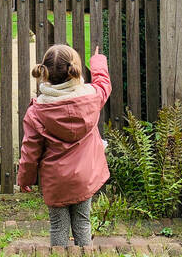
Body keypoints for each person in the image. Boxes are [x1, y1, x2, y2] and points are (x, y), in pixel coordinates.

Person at [17, 44, 111, 247]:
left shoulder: (37, 111)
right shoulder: (91, 98)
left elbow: (30, 152)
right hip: (84, 177)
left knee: (58, 226)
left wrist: (25, 178)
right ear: (74, 69)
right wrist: (97, 61)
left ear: (45, 72)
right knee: (83, 224)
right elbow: (104, 85)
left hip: (56, 181)